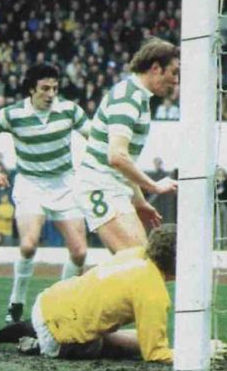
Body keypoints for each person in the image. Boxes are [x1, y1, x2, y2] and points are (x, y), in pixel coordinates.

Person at [0, 226, 227, 363]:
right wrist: (197, 353)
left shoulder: (133, 254)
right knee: (112, 345)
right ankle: (38, 347)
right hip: (61, 338)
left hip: (48, 302)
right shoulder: (153, 292)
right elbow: (155, 353)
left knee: (76, 321)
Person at [0, 63, 91, 323]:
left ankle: (60, 304)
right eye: (45, 89)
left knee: (80, 252)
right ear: (31, 89)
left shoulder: (69, 110)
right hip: (30, 185)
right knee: (28, 244)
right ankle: (16, 302)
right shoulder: (14, 114)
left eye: (55, 89)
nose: (51, 94)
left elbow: (95, 139)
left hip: (64, 184)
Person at [74, 38, 178, 255]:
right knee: (137, 263)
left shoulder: (137, 96)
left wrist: (139, 201)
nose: (176, 81)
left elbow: (124, 161)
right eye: (174, 72)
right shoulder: (128, 98)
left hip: (112, 186)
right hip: (100, 186)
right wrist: (154, 186)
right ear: (156, 68)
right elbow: (117, 157)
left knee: (136, 263)